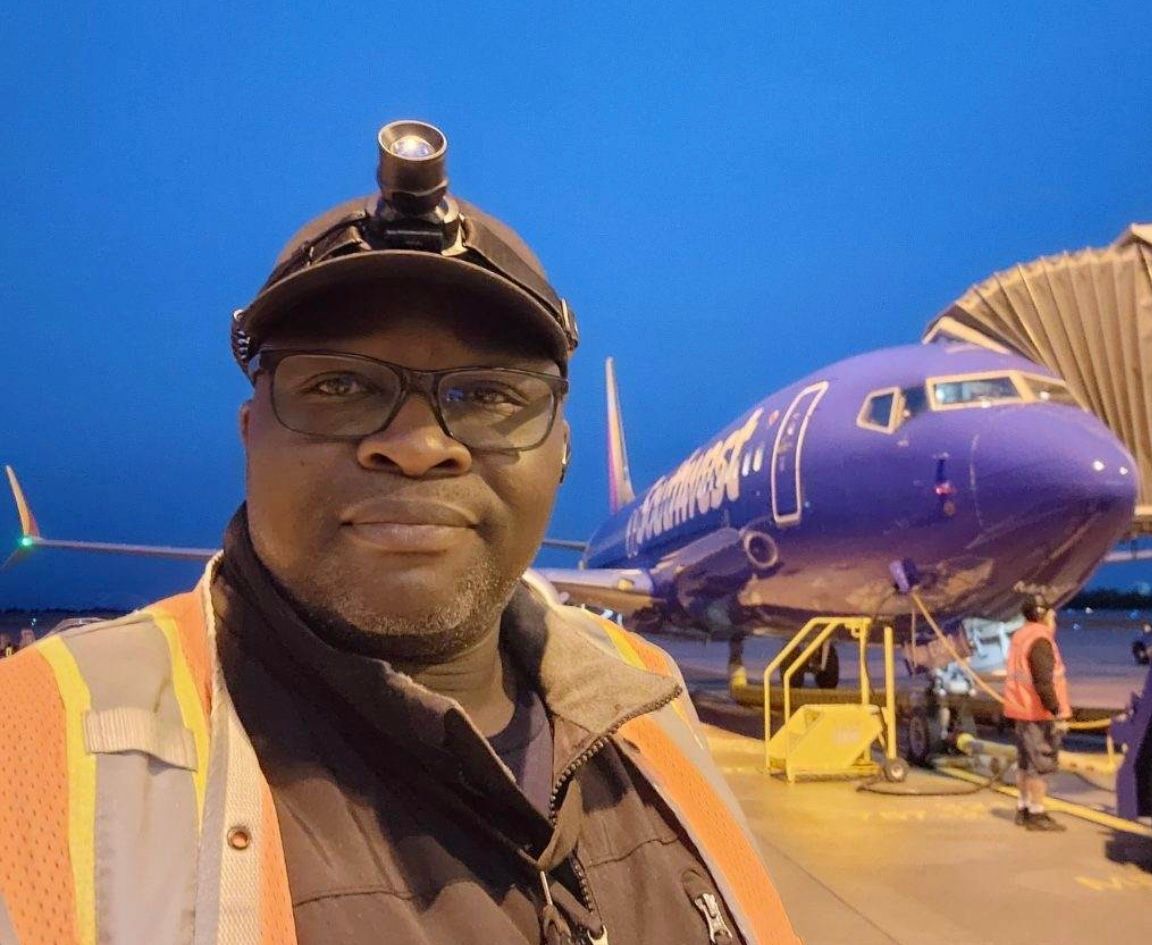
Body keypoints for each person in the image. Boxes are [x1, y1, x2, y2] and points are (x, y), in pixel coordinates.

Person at [0, 121, 799, 945]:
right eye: (339, 384)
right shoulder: (37, 747)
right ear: (249, 434)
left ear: (561, 453)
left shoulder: (652, 701)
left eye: (488, 395)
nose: (418, 446)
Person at [1003, 594, 1071, 832]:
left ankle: (1023, 808)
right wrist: (1056, 711)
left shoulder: (1020, 636)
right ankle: (1037, 813)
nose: (1055, 620)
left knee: (1024, 763)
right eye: (1053, 615)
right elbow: (1044, 682)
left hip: (1021, 709)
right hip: (1038, 713)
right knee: (1039, 766)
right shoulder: (1040, 640)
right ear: (1044, 616)